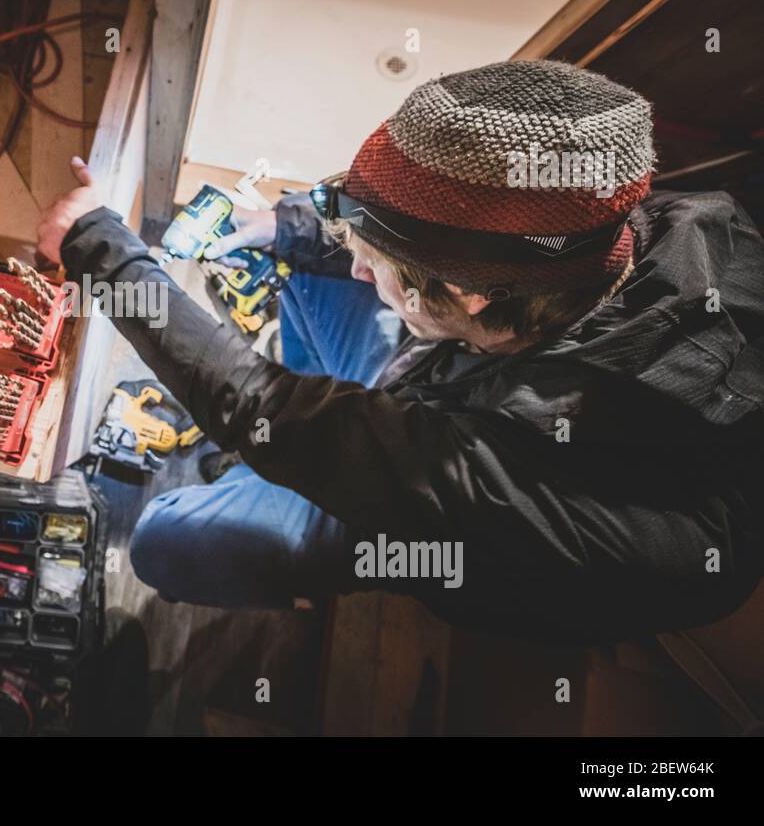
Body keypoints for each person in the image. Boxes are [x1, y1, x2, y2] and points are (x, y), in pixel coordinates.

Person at [37, 60, 764, 642]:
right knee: (305, 270)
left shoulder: (530, 473)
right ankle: (310, 441)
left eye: (375, 265)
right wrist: (281, 227)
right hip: (460, 383)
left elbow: (267, 410)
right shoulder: (637, 222)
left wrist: (97, 246)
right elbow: (420, 230)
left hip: (454, 525)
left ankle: (298, 574)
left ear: (471, 296)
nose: (360, 269)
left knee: (167, 542)